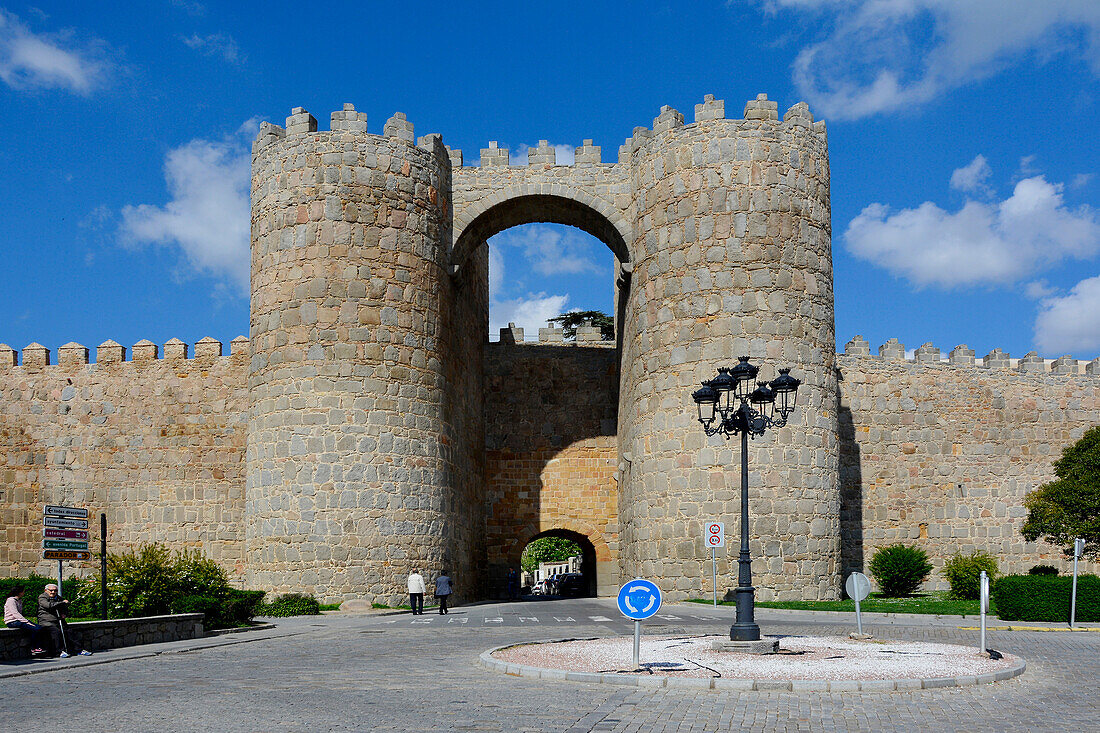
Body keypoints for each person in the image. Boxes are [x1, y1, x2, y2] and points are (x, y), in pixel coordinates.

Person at [38, 584, 91, 658]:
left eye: (55, 590)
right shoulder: (42, 597)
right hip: (47, 621)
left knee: (70, 631)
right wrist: (62, 603)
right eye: (51, 590)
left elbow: (65, 606)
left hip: (58, 620)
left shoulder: (57, 598)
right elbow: (48, 605)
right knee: (56, 632)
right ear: (46, 590)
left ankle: (79, 650)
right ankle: (59, 651)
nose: (53, 592)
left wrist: (64, 613)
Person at [4, 586, 46, 655]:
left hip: (19, 620)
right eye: (23, 591)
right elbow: (15, 613)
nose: (24, 593)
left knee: (39, 628)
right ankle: (34, 648)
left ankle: (39, 646)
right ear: (19, 592)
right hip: (12, 621)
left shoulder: (19, 600)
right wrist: (26, 622)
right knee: (35, 629)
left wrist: (27, 621)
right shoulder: (11, 601)